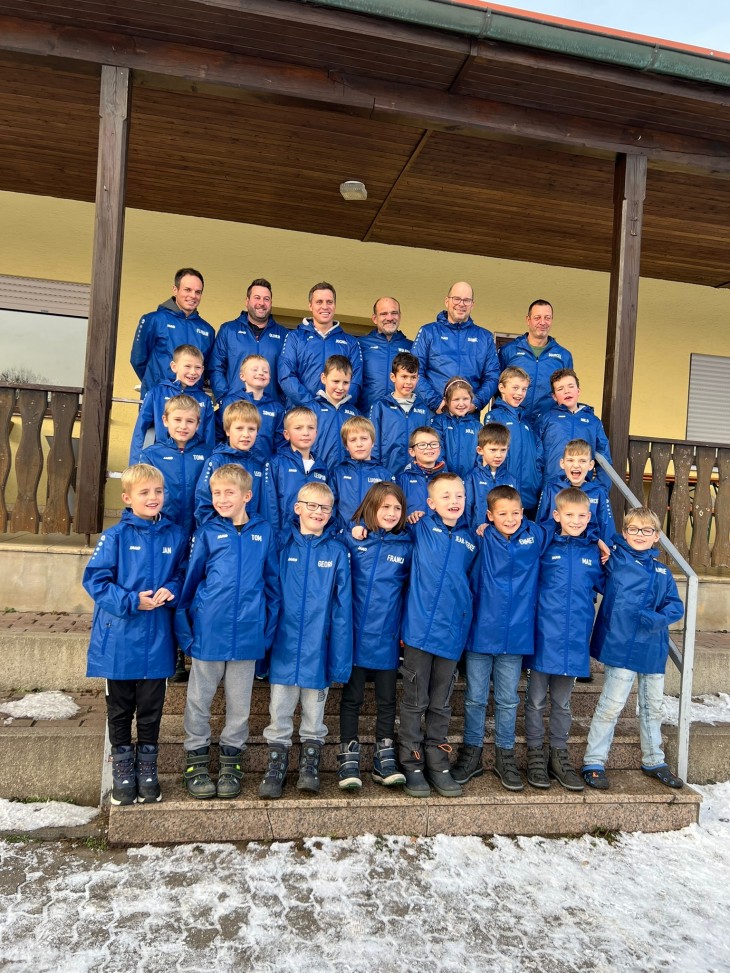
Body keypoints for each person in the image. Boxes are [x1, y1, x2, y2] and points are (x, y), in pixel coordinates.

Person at [83, 464, 188, 806]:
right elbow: (95, 581)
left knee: (151, 710)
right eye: (144, 492)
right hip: (119, 640)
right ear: (128, 498)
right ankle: (123, 772)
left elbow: (183, 573)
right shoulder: (115, 537)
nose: (153, 497)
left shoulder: (176, 535)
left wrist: (172, 588)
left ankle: (147, 770)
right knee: (120, 709)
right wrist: (131, 601)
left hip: (158, 639)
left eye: (158, 491)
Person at [176, 465, 280, 800]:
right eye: (216, 493)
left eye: (229, 493)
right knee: (199, 700)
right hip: (209, 633)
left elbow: (273, 587)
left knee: (239, 705)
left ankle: (231, 762)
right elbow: (190, 584)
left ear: (246, 495)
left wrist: (265, 633)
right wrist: (187, 634)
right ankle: (196, 760)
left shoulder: (263, 532)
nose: (221, 499)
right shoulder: (207, 533)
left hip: (248, 635)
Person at [259, 481, 353, 799]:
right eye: (311, 505)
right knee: (279, 709)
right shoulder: (282, 547)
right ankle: (276, 764)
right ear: (297, 508)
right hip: (283, 648)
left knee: (314, 715)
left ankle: (309, 765)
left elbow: (342, 610)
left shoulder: (336, 552)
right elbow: (269, 597)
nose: (318, 512)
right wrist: (264, 649)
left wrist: (339, 659)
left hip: (318, 649)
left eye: (324, 507)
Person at [581, 506, 685, 791]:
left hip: (652, 646)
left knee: (653, 706)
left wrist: (655, 618)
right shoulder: (613, 560)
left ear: (657, 536)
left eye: (647, 530)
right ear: (624, 533)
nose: (640, 534)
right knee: (611, 705)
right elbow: (587, 534)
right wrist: (603, 544)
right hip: (620, 643)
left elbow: (675, 606)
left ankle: (654, 759)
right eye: (634, 529)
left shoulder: (663, 572)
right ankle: (593, 761)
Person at [452, 485, 548, 792]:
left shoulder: (535, 537)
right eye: (502, 513)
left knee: (508, 700)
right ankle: (472, 751)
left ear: (524, 513)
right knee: (475, 698)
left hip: (515, 635)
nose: (510, 519)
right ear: (489, 516)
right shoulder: (479, 538)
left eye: (516, 513)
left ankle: (505, 755)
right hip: (481, 632)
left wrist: (600, 541)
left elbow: (568, 527)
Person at [399, 472, 478, 798]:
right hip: (418, 632)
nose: (453, 501)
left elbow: (473, 583)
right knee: (415, 700)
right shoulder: (419, 528)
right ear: (431, 503)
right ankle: (411, 760)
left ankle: (437, 760)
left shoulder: (472, 539)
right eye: (445, 496)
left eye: (459, 495)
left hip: (451, 634)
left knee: (441, 703)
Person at [524, 488, 605, 792]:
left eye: (582, 515)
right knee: (535, 701)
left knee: (562, 702)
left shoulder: (593, 552)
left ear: (589, 517)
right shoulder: (545, 545)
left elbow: (610, 583)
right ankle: (535, 754)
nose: (576, 520)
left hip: (574, 640)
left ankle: (558, 755)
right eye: (569, 515)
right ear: (556, 515)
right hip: (543, 636)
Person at [338, 482, 412, 789]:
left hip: (387, 636)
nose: (392, 513)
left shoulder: (406, 545)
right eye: (385, 507)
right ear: (371, 507)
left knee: (386, 699)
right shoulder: (352, 540)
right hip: (355, 635)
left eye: (397, 508)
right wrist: (351, 530)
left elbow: (409, 590)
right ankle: (348, 757)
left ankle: (384, 757)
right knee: (352, 698)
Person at [411, 281, 500, 414]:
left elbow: (492, 376)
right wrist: (436, 403)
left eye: (466, 300)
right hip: (433, 414)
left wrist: (475, 404)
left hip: (468, 417)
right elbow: (415, 372)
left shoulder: (485, 337)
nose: (461, 304)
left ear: (472, 305)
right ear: (447, 301)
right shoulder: (428, 332)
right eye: (457, 299)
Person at [130, 268, 214, 398]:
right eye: (187, 290)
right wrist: (155, 384)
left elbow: (206, 367)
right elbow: (138, 360)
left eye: (198, 292)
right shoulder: (154, 320)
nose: (193, 296)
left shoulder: (207, 330)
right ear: (175, 290)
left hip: (191, 401)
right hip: (157, 398)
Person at [278, 282, 363, 408]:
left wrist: (335, 406)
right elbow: (286, 375)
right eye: (319, 302)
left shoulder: (351, 342)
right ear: (310, 306)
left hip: (337, 413)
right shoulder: (295, 337)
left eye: (329, 302)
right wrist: (310, 404)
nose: (325, 306)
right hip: (301, 413)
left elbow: (355, 381)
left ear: (335, 305)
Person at [138, 395, 211, 540]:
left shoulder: (209, 454)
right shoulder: (151, 455)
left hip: (198, 529)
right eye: (177, 420)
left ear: (198, 424)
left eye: (190, 421)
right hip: (163, 530)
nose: (183, 426)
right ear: (165, 420)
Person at [129, 344, 215, 463]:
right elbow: (140, 430)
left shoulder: (205, 400)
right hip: (162, 459)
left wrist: (209, 465)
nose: (193, 372)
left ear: (203, 370)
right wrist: (134, 464)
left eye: (198, 367)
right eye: (187, 366)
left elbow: (209, 437)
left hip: (193, 461)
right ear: (174, 367)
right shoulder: (156, 393)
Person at [208, 277, 289, 404]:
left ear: (271, 303)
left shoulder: (284, 335)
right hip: (235, 407)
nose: (261, 303)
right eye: (257, 298)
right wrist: (224, 399)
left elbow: (288, 373)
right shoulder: (229, 330)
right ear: (247, 301)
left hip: (270, 408)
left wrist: (282, 403)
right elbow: (216, 368)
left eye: (266, 299)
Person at [498, 300, 574, 426]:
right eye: (537, 317)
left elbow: (568, 392)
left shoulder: (564, 356)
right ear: (528, 320)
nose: (542, 322)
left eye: (547, 318)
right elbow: (497, 387)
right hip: (513, 422)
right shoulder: (509, 351)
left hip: (548, 424)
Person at [535, 369, 612, 489]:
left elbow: (604, 457)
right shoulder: (546, 419)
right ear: (554, 396)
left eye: (571, 386)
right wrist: (539, 488)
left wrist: (599, 488)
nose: (567, 391)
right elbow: (536, 457)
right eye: (560, 389)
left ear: (578, 391)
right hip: (552, 487)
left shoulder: (593, 421)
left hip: (581, 489)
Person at [483, 367, 541, 516]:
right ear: (502, 388)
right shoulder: (494, 417)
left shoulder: (526, 422)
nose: (520, 393)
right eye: (515, 388)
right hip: (505, 492)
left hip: (529, 493)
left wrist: (536, 479)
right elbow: (489, 455)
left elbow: (537, 455)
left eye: (524, 389)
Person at [262, 407, 330, 535]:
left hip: (313, 538)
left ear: (316, 432)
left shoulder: (322, 468)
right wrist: (275, 536)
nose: (306, 433)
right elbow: (269, 505)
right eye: (298, 428)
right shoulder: (276, 463)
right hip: (284, 537)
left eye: (310, 428)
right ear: (286, 434)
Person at [194, 401, 264, 525]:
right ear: (227, 431)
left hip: (250, 531)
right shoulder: (216, 461)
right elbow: (203, 503)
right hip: (222, 532)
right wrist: (215, 532)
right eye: (239, 428)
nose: (246, 434)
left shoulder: (259, 463)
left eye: (251, 429)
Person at [536, 438, 615, 546]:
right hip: (557, 551)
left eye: (582, 461)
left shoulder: (598, 492)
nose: (576, 465)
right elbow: (541, 524)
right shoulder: (551, 488)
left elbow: (607, 529)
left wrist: (608, 550)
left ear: (591, 465)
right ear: (562, 463)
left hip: (587, 551)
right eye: (570, 460)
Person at [369, 351, 432, 477]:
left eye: (413, 377)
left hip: (415, 476)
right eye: (404, 376)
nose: (409, 382)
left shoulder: (423, 409)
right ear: (393, 377)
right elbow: (373, 445)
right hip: (386, 474)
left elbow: (428, 443)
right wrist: (377, 473)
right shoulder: (381, 406)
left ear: (418, 378)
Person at [213, 354, 286, 462]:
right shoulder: (227, 403)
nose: (260, 373)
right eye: (255, 370)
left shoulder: (277, 408)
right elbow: (217, 436)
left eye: (265, 371)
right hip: (233, 467)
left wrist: (272, 466)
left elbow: (280, 444)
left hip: (263, 467)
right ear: (242, 376)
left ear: (270, 378)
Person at [330, 417, 393, 530]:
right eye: (353, 440)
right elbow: (330, 508)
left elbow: (389, 509)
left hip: (374, 535)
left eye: (364, 438)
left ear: (372, 442)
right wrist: (338, 533)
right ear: (346, 446)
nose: (359, 444)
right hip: (344, 535)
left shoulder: (385, 475)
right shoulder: (337, 474)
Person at [358, 297, 413, 414]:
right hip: (366, 416)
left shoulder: (412, 347)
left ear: (400, 316)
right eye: (384, 314)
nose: (389, 318)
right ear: (374, 318)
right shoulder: (360, 344)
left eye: (394, 313)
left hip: (400, 417)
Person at [310, 355, 360, 470]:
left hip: (346, 474)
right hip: (318, 472)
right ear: (324, 378)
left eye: (346, 382)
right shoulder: (311, 409)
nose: (340, 387)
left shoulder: (354, 413)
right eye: (336, 381)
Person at [462, 423, 516, 530]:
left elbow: (515, 511)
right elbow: (466, 513)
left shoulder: (512, 480)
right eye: (493, 450)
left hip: (503, 535)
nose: (498, 455)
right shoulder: (470, 478)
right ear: (480, 450)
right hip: (477, 535)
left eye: (503, 450)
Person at [431, 377, 481, 479]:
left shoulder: (477, 426)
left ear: (471, 400)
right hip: (444, 479)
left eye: (465, 399)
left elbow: (480, 457)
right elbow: (437, 452)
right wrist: (447, 477)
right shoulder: (439, 422)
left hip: (470, 481)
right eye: (456, 399)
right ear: (446, 401)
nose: (461, 404)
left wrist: (470, 480)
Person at [396, 426, 447, 523]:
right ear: (412, 452)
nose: (429, 448)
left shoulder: (447, 480)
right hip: (411, 529)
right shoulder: (401, 479)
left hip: (439, 530)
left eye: (434, 444)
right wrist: (406, 518)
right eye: (422, 445)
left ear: (439, 449)